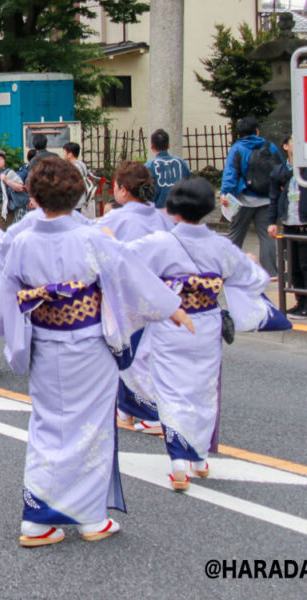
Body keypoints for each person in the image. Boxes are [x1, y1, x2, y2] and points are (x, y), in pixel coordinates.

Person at [0, 157, 190, 547]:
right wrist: (171, 306)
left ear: (32, 196)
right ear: (81, 194)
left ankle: (37, 518)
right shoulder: (93, 238)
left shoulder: (22, 241)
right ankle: (89, 518)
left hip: (45, 340)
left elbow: (8, 291)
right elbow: (130, 275)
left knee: (48, 424)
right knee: (92, 427)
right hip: (87, 343)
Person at [126, 177, 270, 492]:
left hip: (172, 321)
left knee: (171, 389)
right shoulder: (221, 246)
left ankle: (179, 461)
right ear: (208, 209)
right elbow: (253, 279)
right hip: (207, 321)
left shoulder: (160, 243)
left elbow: (122, 261)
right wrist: (253, 263)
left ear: (174, 208)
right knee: (203, 390)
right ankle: (200, 457)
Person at [98, 161, 174, 435]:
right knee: (147, 353)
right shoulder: (161, 217)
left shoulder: (116, 219)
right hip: (159, 292)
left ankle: (148, 412)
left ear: (123, 190)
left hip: (127, 295)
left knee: (129, 355)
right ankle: (128, 411)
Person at [267, 134, 307, 318]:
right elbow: (273, 198)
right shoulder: (279, 171)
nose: (298, 144)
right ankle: (299, 302)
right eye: (294, 141)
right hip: (289, 223)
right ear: (286, 146)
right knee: (292, 267)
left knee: (306, 264)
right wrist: (272, 221)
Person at [221, 117, 283, 276]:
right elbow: (280, 169)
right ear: (257, 130)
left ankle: (227, 270)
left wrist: (225, 193)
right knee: (267, 236)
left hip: (243, 200)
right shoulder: (270, 146)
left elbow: (231, 173)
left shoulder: (238, 148)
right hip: (267, 199)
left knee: (235, 236)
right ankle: (272, 273)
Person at [144, 129, 190, 209]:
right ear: (168, 145)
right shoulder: (181, 163)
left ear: (151, 146)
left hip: (158, 212)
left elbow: (144, 194)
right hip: (180, 211)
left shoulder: (148, 166)